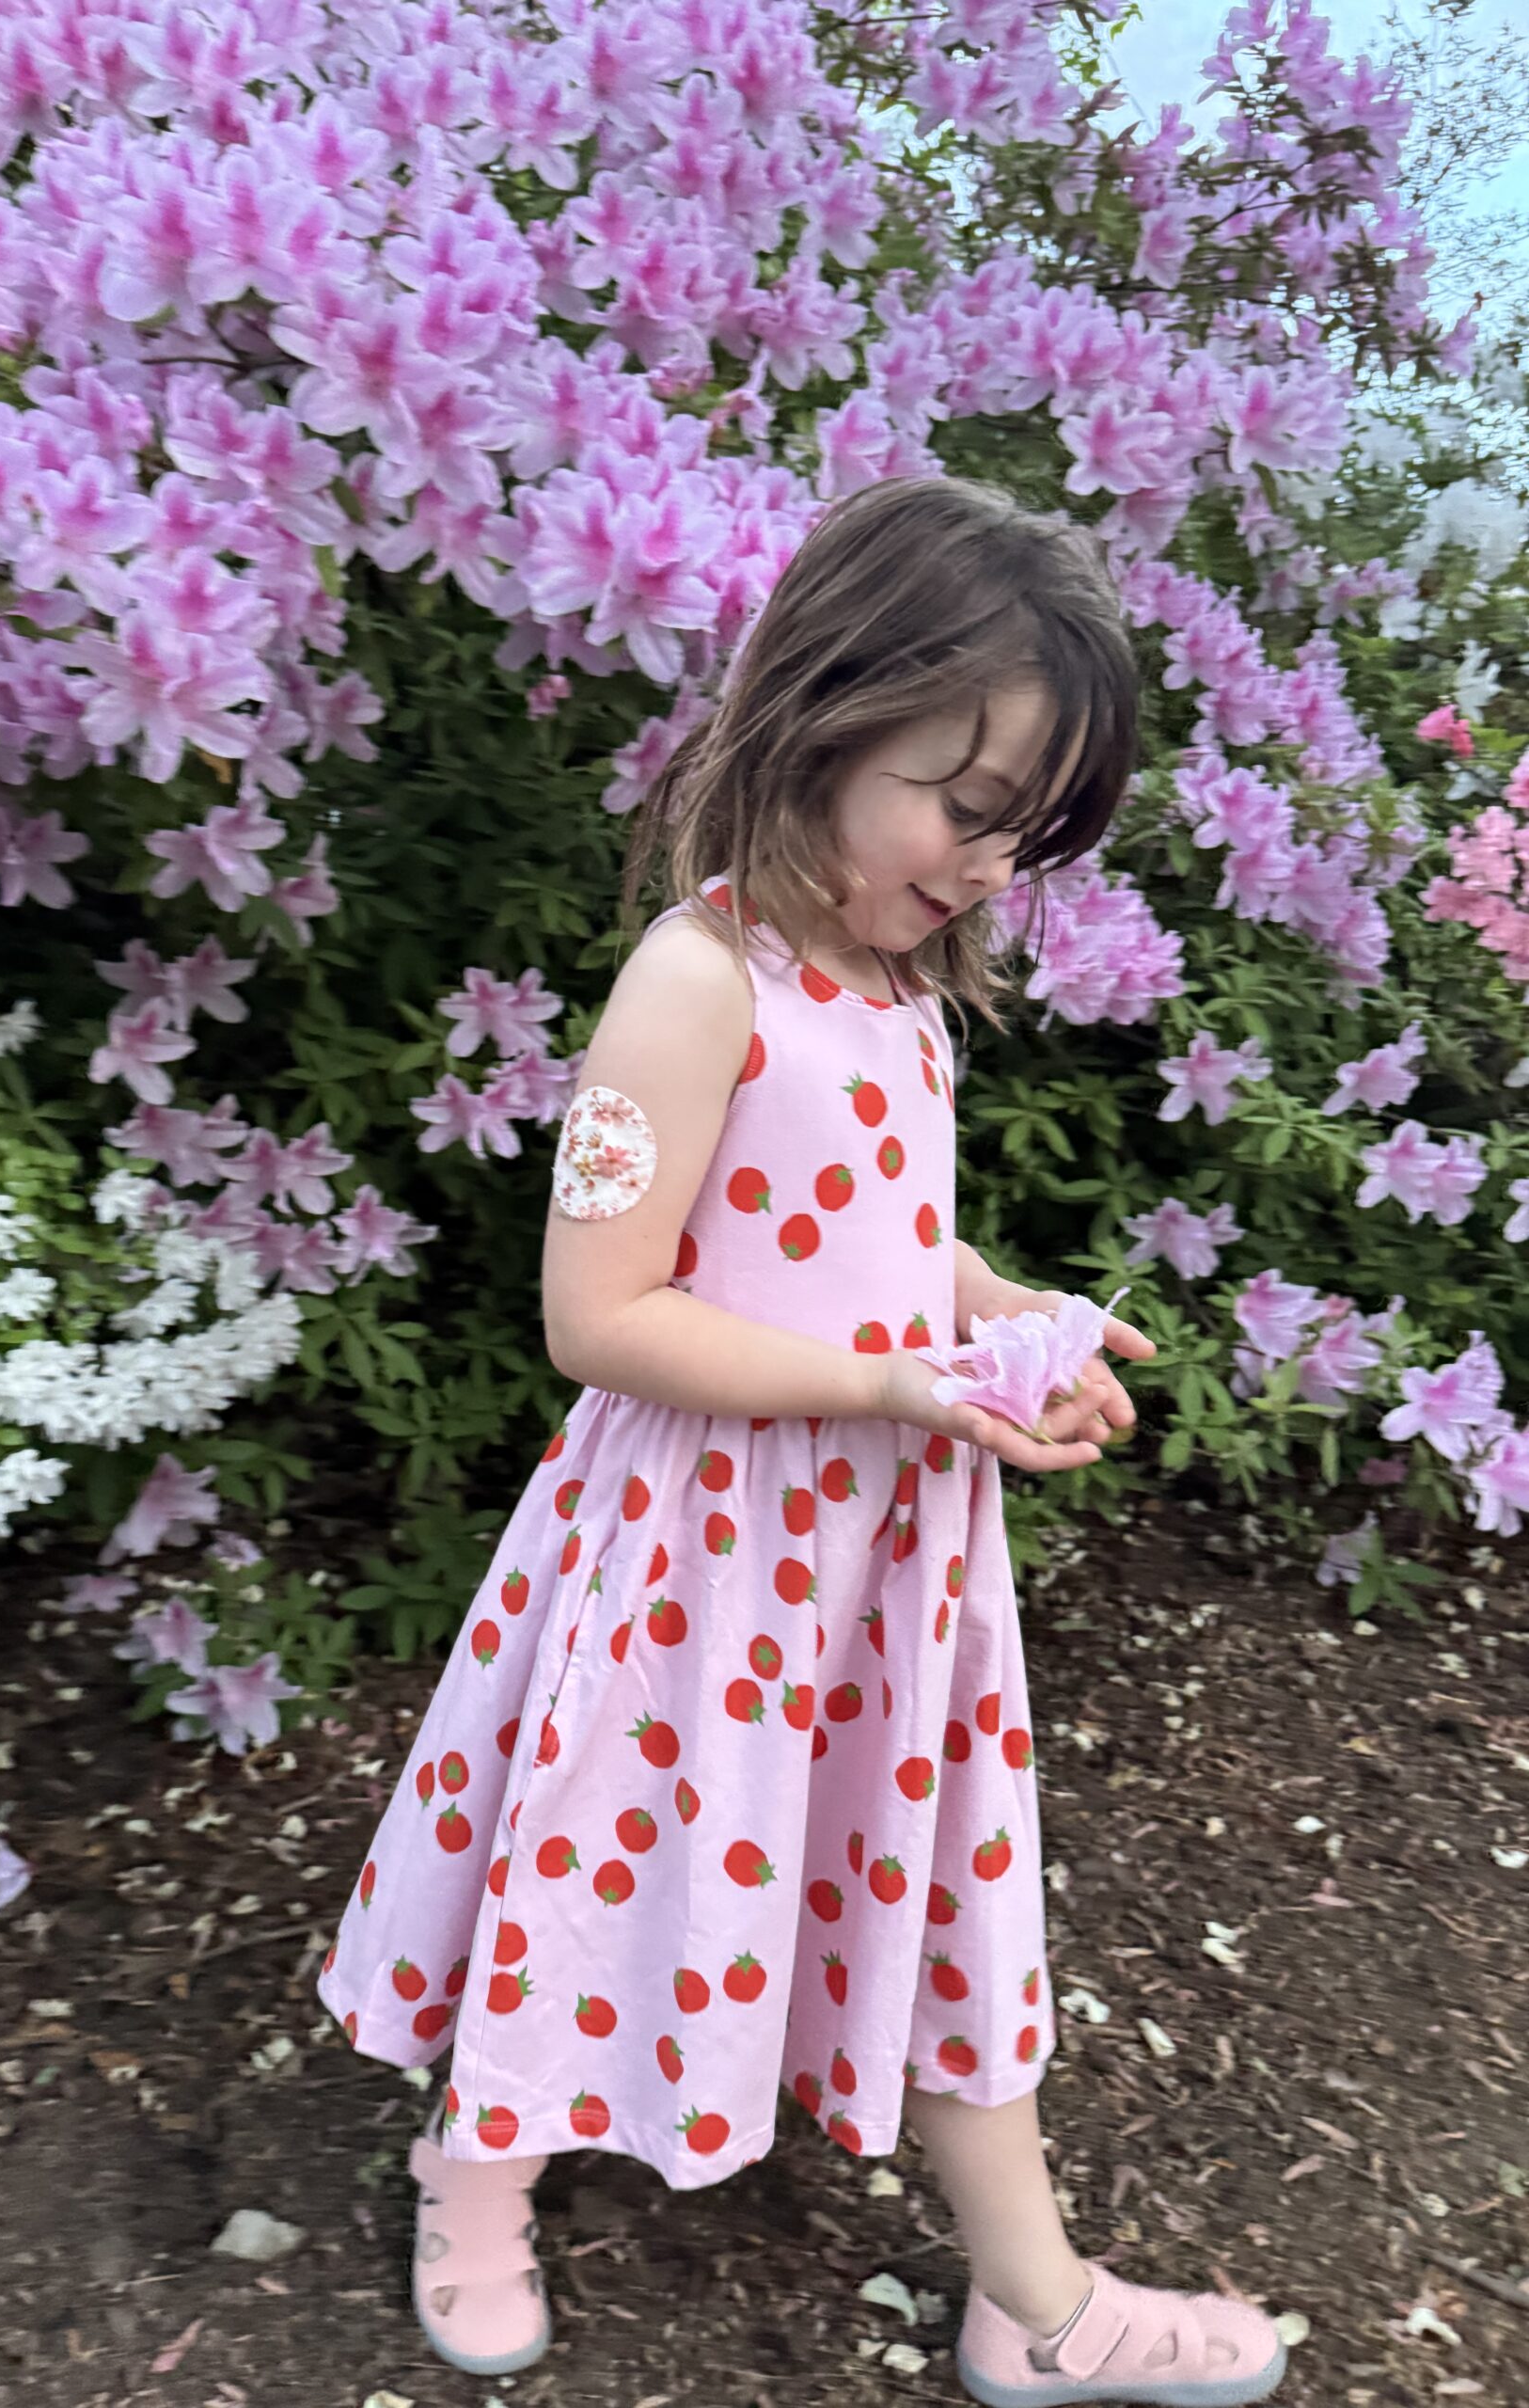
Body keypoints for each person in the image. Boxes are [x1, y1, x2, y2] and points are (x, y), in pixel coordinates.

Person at [317, 473, 1289, 2407]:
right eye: (968, 801)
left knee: (939, 1877)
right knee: (598, 1846)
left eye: (1034, 831)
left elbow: (875, 1234)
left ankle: (1036, 2292)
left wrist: (1010, 1319)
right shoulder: (696, 983)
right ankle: (472, 2165)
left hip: (881, 1556)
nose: (995, 862)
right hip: (699, 1545)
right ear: (831, 709)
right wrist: (890, 1380)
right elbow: (603, 1311)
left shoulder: (899, 987)